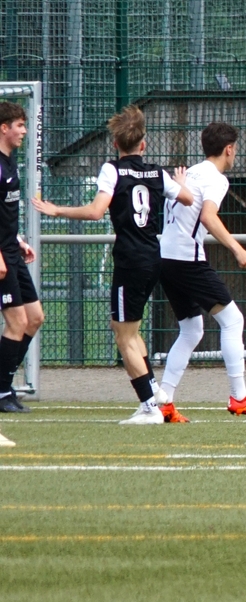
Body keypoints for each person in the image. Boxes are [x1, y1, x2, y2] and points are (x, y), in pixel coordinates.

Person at [33, 105, 193, 424]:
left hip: (130, 260)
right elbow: (187, 198)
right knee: (128, 329)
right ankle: (154, 390)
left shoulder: (113, 170)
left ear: (116, 144)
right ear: (143, 143)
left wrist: (57, 210)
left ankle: (149, 406)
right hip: (153, 257)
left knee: (124, 336)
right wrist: (179, 182)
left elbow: (96, 211)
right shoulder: (157, 173)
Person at [156, 122, 246, 421]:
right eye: (235, 149)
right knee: (233, 320)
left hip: (166, 258)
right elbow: (208, 217)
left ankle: (164, 401)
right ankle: (240, 398)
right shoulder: (215, 178)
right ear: (229, 149)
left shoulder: (191, 172)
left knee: (191, 330)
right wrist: (237, 248)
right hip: (187, 260)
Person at [0, 102, 44, 414]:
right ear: (3, 128)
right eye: (19, 125)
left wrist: (17, 241)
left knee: (35, 318)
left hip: (11, 251)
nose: (24, 131)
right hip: (2, 256)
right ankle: (2, 391)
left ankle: (3, 381)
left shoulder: (9, 162)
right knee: (16, 322)